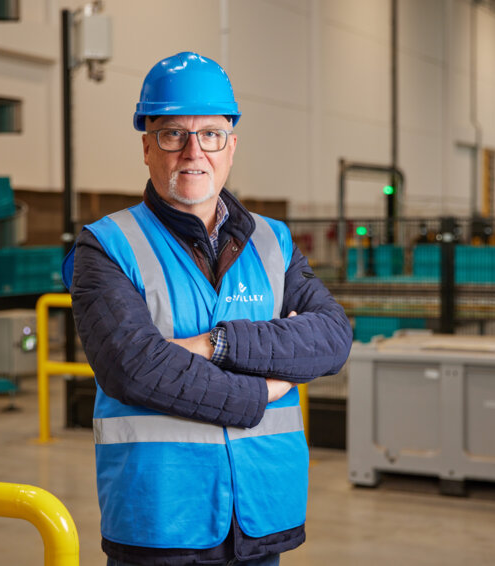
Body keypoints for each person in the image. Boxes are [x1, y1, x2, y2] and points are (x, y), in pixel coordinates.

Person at [63, 51, 353, 566]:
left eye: (211, 134)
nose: (193, 151)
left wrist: (216, 344)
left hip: (263, 508)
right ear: (147, 147)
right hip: (160, 515)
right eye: (174, 133)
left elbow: (331, 337)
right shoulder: (106, 247)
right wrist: (263, 388)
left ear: (231, 146)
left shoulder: (274, 241)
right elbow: (134, 369)